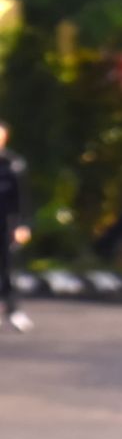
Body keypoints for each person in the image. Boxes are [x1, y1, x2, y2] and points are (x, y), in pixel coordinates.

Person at [0, 120, 32, 332]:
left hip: (5, 224)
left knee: (7, 268)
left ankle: (13, 311)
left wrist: (22, 226)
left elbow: (23, 200)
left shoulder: (13, 165)